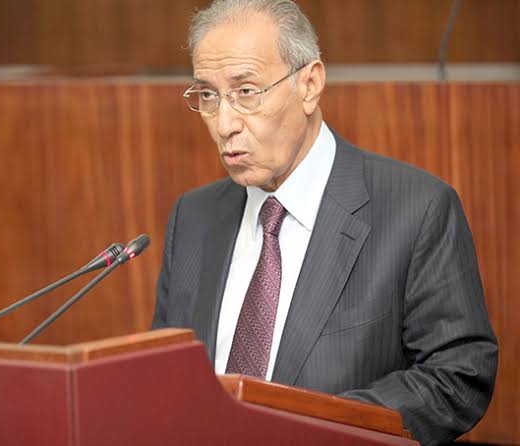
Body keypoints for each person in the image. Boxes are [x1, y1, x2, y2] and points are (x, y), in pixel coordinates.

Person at [151, 1, 498, 444]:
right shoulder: (193, 216)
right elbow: (167, 375)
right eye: (207, 95)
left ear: (309, 85)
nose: (224, 124)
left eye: (246, 91)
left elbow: (458, 375)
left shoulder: (416, 210)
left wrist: (316, 428)